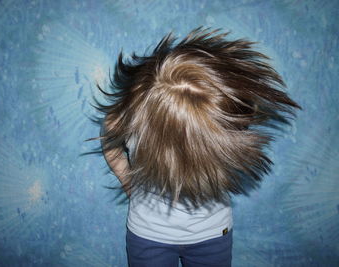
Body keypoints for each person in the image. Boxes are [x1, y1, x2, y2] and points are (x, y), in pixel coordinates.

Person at [96, 27, 301, 267]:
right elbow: (109, 142)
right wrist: (127, 180)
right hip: (149, 234)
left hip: (212, 234)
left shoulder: (223, 127)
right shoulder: (127, 122)